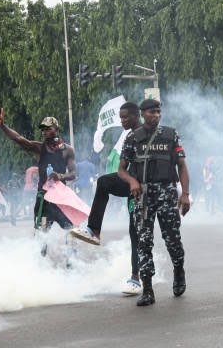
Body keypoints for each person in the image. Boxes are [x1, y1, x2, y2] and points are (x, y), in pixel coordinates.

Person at [117, 99, 190, 306]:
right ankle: (147, 290)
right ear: (143, 114)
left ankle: (179, 270)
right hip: (144, 195)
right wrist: (132, 180)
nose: (156, 115)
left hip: (167, 192)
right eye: (151, 112)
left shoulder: (170, 134)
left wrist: (184, 194)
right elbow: (121, 170)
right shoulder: (133, 137)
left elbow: (182, 167)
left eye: (158, 112)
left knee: (173, 239)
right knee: (143, 242)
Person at [70, 102, 143, 295]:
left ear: (136, 116)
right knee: (103, 182)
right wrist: (131, 181)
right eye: (120, 117)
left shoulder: (150, 134)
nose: (122, 121)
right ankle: (94, 230)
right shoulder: (128, 137)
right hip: (133, 187)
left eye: (126, 117)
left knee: (145, 234)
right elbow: (121, 168)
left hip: (151, 188)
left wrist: (181, 191)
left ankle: (172, 271)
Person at [0, 111, 76, 233]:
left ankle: (71, 251)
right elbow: (18, 138)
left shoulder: (68, 150)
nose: (44, 132)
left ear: (56, 129)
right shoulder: (38, 148)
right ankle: (41, 252)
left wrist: (60, 176)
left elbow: (73, 174)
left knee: (70, 229)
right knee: (42, 231)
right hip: (44, 201)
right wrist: (2, 125)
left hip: (61, 200)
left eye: (48, 129)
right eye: (43, 129)